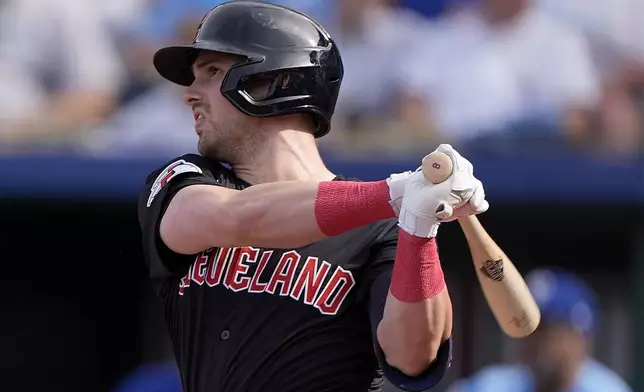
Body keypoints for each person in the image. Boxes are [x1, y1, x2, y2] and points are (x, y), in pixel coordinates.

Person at [137, 2, 489, 391]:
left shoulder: (382, 226)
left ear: (274, 81)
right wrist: (399, 192)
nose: (189, 94)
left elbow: (412, 357)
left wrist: (420, 226)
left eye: (213, 72)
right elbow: (237, 218)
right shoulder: (185, 180)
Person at [447, 268, 632, 392]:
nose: (532, 340)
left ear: (579, 337)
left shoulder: (606, 388)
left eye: (545, 330)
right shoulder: (494, 384)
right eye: (524, 327)